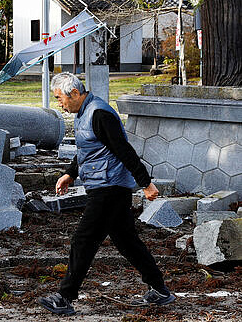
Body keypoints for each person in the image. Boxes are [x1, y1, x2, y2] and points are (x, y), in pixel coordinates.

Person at [37, 73, 175, 316]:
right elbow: (87, 150)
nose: (59, 103)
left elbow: (124, 150)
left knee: (84, 239)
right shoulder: (84, 113)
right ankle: (160, 289)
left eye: (60, 99)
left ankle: (65, 297)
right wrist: (70, 174)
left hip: (109, 187)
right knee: (127, 242)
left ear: (75, 94)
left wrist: (146, 183)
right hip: (104, 185)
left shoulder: (100, 113)